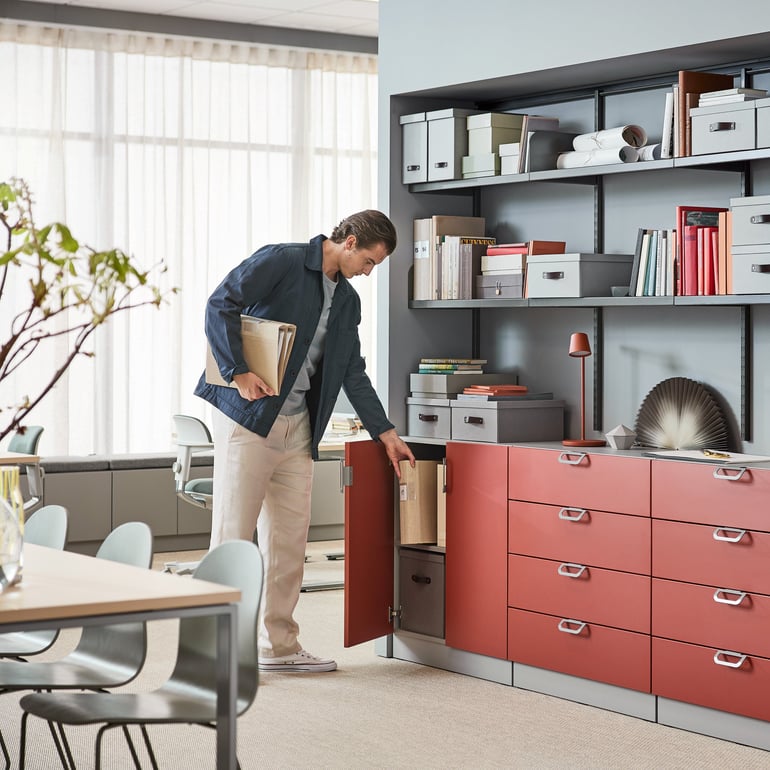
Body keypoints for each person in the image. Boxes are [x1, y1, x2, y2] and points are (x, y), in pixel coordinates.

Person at [194, 209, 415, 673]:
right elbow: (220, 304)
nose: (369, 272)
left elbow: (352, 371)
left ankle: (278, 647)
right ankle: (213, 651)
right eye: (370, 261)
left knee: (289, 543)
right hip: (248, 419)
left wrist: (386, 432)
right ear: (350, 241)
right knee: (233, 537)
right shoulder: (284, 261)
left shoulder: (348, 301)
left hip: (299, 427)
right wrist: (237, 373)